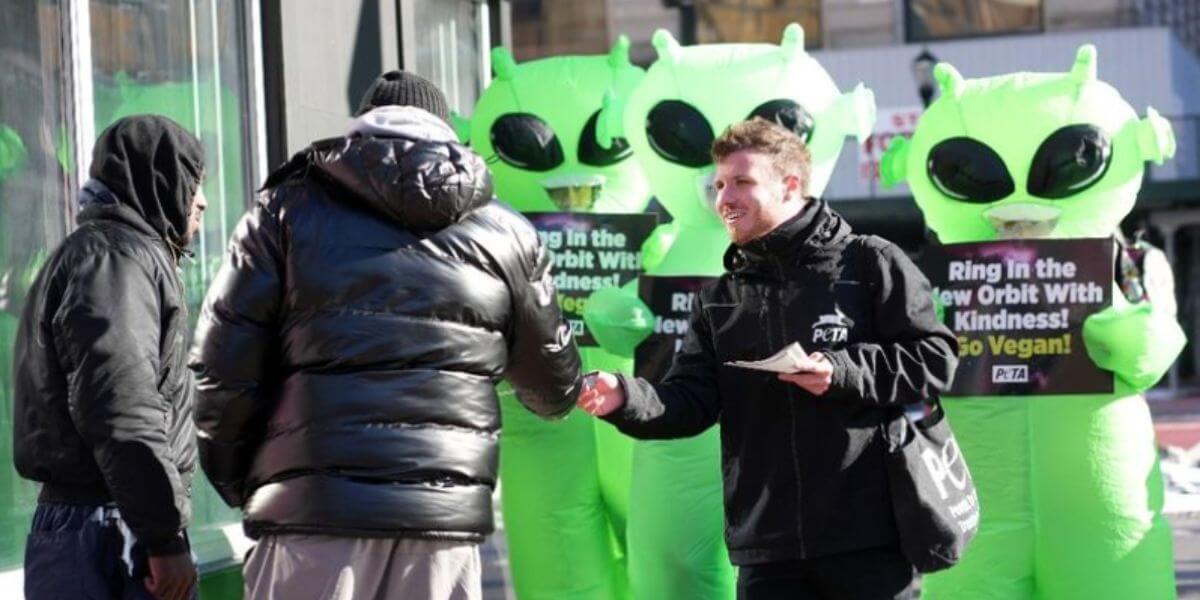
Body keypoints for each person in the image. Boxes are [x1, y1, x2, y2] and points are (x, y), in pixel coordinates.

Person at [189, 70, 582, 600]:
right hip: (441, 523)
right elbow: (554, 388)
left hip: (312, 512)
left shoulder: (283, 210)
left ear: (362, 129)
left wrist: (245, 481)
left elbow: (222, 367)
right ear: (447, 133)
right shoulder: (508, 234)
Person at [577, 118, 958, 600]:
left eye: (742, 182)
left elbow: (935, 359)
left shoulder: (870, 263)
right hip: (766, 552)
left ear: (791, 184)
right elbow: (691, 401)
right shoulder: (718, 299)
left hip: (867, 541)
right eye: (717, 185)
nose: (724, 199)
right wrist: (623, 396)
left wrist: (842, 371)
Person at [12, 114, 207, 600]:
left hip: (109, 524)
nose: (201, 199)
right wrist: (164, 539)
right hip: (112, 534)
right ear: (158, 181)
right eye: (193, 181)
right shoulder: (114, 262)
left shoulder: (110, 257)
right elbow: (121, 405)